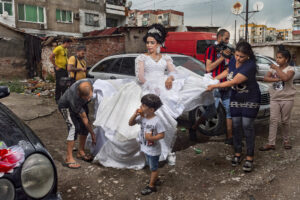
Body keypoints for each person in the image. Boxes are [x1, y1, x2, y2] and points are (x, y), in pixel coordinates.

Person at [90, 23, 216, 169]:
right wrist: (152, 87)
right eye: (147, 42)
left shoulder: (166, 58)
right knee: (140, 123)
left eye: (152, 42)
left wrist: (170, 78)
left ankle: (162, 151)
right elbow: (140, 78)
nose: (149, 45)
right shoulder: (141, 58)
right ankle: (144, 154)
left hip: (163, 88)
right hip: (145, 89)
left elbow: (174, 72)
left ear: (159, 43)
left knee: (164, 120)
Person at [207, 42, 261, 172]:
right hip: (236, 97)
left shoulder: (250, 66)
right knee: (236, 125)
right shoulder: (232, 60)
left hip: (250, 98)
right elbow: (227, 71)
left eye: (241, 56)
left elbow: (234, 81)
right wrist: (213, 79)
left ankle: (249, 157)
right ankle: (238, 153)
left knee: (247, 126)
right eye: (237, 55)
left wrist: (215, 86)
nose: (238, 58)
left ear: (248, 56)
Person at [259, 47, 296, 151]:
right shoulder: (273, 69)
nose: (277, 59)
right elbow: (266, 78)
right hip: (275, 98)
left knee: (285, 121)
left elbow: (285, 78)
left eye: (280, 58)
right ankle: (271, 143)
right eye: (277, 57)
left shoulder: (290, 69)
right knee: (273, 120)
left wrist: (277, 69)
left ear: (286, 59)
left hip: (287, 98)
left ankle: (286, 140)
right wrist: (277, 78)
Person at [129, 94, 165, 195]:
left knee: (153, 168)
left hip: (153, 150)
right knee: (150, 165)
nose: (140, 106)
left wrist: (151, 138)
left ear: (152, 110)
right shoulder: (142, 118)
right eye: (141, 104)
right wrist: (135, 115)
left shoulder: (157, 121)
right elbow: (130, 123)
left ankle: (152, 186)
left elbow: (162, 135)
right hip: (145, 148)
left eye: (144, 105)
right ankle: (155, 179)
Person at [58, 79, 96, 169]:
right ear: (80, 94)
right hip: (66, 107)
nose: (89, 99)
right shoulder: (75, 98)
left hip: (80, 104)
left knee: (84, 127)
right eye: (86, 98)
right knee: (74, 127)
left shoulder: (90, 82)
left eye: (89, 97)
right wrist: (92, 133)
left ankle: (81, 152)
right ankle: (68, 158)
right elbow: (84, 118)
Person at [205, 29, 233, 145]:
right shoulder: (211, 49)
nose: (227, 41)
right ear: (219, 37)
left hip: (225, 84)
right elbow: (208, 68)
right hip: (214, 85)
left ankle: (229, 137)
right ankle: (194, 126)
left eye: (228, 39)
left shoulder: (227, 50)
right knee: (211, 112)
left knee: (229, 110)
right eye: (226, 38)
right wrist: (222, 57)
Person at [50, 38, 72, 103]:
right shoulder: (58, 48)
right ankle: (57, 99)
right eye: (69, 44)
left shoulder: (65, 49)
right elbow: (51, 57)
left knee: (65, 84)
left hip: (65, 69)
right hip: (59, 69)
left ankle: (64, 98)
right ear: (66, 42)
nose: (70, 45)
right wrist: (56, 66)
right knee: (59, 84)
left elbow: (65, 58)